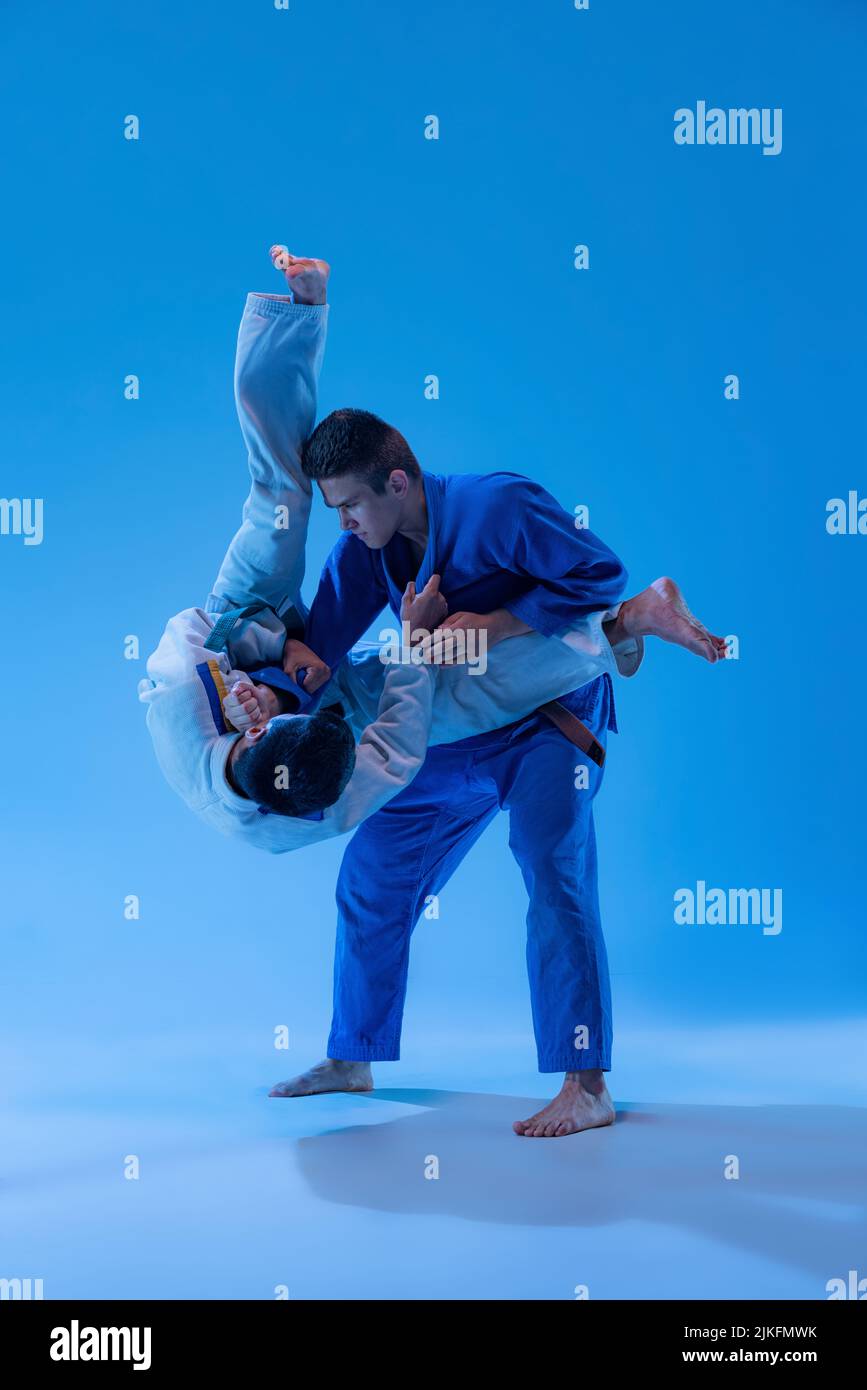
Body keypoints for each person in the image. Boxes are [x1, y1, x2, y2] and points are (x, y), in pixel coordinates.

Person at [269, 247, 725, 1138]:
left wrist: (471, 627)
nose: (346, 525)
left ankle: (585, 1084)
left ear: (397, 481)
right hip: (447, 737)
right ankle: (351, 1055)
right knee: (370, 874)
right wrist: (256, 675)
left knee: (551, 867)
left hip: (547, 727)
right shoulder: (362, 553)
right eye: (333, 514)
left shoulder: (495, 504)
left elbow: (596, 575)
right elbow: (319, 650)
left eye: (352, 505)